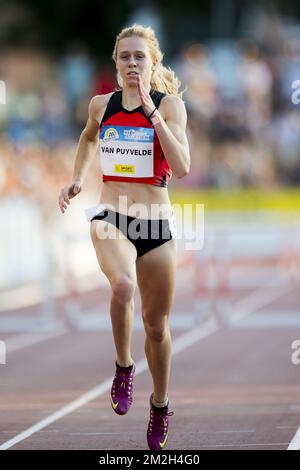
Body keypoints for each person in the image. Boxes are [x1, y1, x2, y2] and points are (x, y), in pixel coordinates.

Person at [58, 24, 190, 451]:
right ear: (116, 64)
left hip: (155, 223)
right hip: (111, 215)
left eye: (140, 56)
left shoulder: (170, 107)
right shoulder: (102, 105)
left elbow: (183, 166)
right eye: (125, 57)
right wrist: (77, 179)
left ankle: (160, 403)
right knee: (121, 285)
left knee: (156, 327)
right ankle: (123, 366)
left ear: (153, 62)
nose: (132, 63)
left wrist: (152, 114)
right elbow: (87, 137)